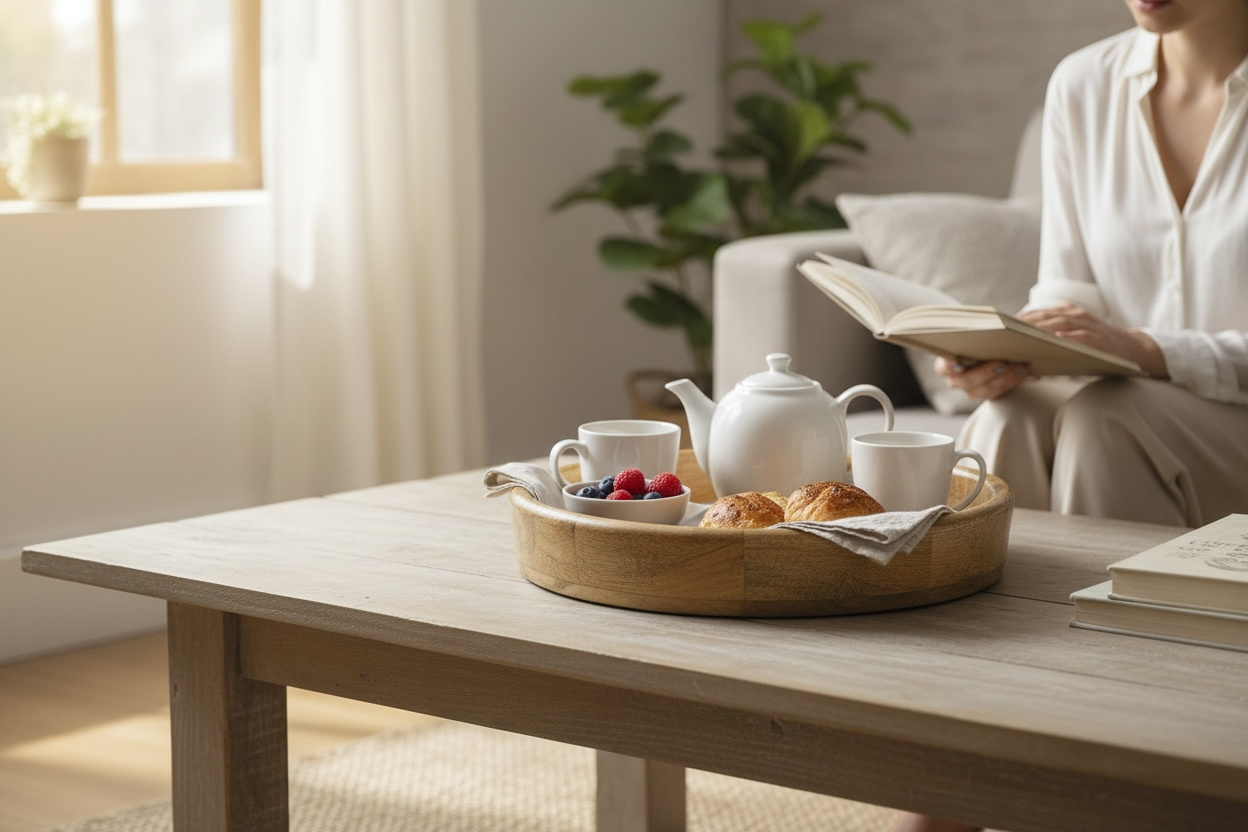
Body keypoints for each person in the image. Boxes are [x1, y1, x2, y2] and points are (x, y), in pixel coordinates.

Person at [891, 1, 1248, 830]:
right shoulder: (1083, 84)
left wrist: (1146, 349)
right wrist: (1010, 350)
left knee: (1106, 421)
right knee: (1010, 417)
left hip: (1200, 421)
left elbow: (1132, 354)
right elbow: (1068, 291)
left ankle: (1113, 767)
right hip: (1130, 403)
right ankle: (955, 773)